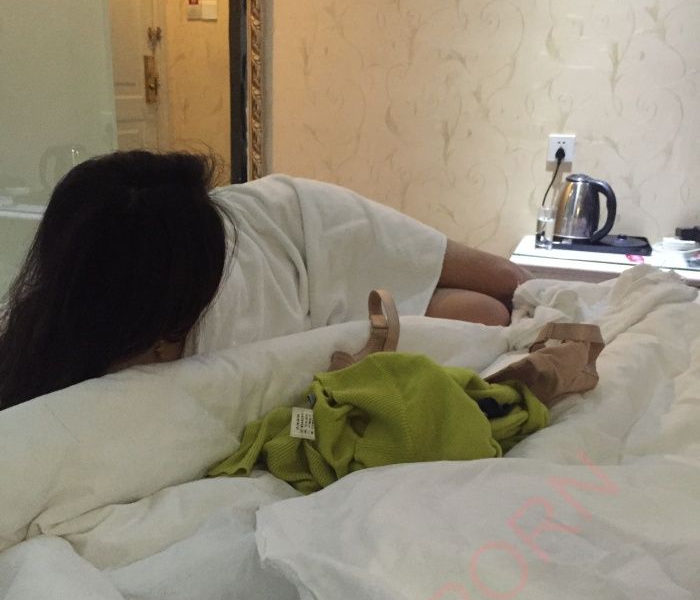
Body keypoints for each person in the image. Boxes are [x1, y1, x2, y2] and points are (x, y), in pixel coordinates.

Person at [0, 150, 530, 410]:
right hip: (301, 304)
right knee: (488, 316)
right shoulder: (56, 361)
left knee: (509, 280)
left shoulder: (226, 237)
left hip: (296, 222)